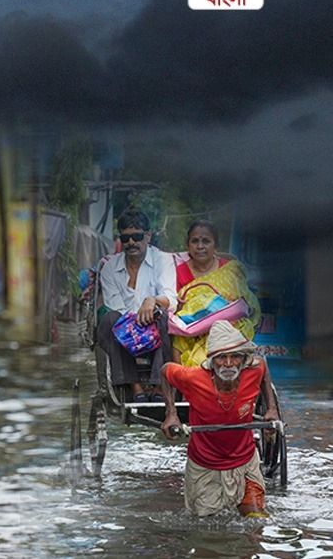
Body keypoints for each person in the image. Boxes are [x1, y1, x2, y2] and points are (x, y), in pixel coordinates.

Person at [161, 321, 280, 517]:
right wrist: (171, 414)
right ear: (211, 361)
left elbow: (263, 366)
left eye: (235, 357)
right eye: (221, 358)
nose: (228, 363)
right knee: (207, 531)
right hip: (205, 464)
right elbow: (165, 370)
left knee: (255, 521)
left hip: (245, 461)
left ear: (243, 360)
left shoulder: (254, 370)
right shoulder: (194, 378)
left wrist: (272, 409)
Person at [94, 209, 178, 403]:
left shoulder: (162, 260)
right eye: (126, 238)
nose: (131, 242)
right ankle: (135, 387)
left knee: (165, 317)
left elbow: (170, 298)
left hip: (155, 326)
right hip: (125, 330)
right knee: (109, 320)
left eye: (137, 236)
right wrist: (137, 321)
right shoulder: (109, 268)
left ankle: (159, 387)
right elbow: (115, 307)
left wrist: (152, 300)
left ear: (147, 236)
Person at [172, 220, 261, 367]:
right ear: (187, 245)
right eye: (195, 241)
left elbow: (247, 301)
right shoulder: (178, 272)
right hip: (191, 332)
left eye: (206, 241)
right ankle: (181, 382)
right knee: (178, 340)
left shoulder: (230, 270)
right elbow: (176, 308)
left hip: (228, 330)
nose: (200, 246)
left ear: (216, 245)